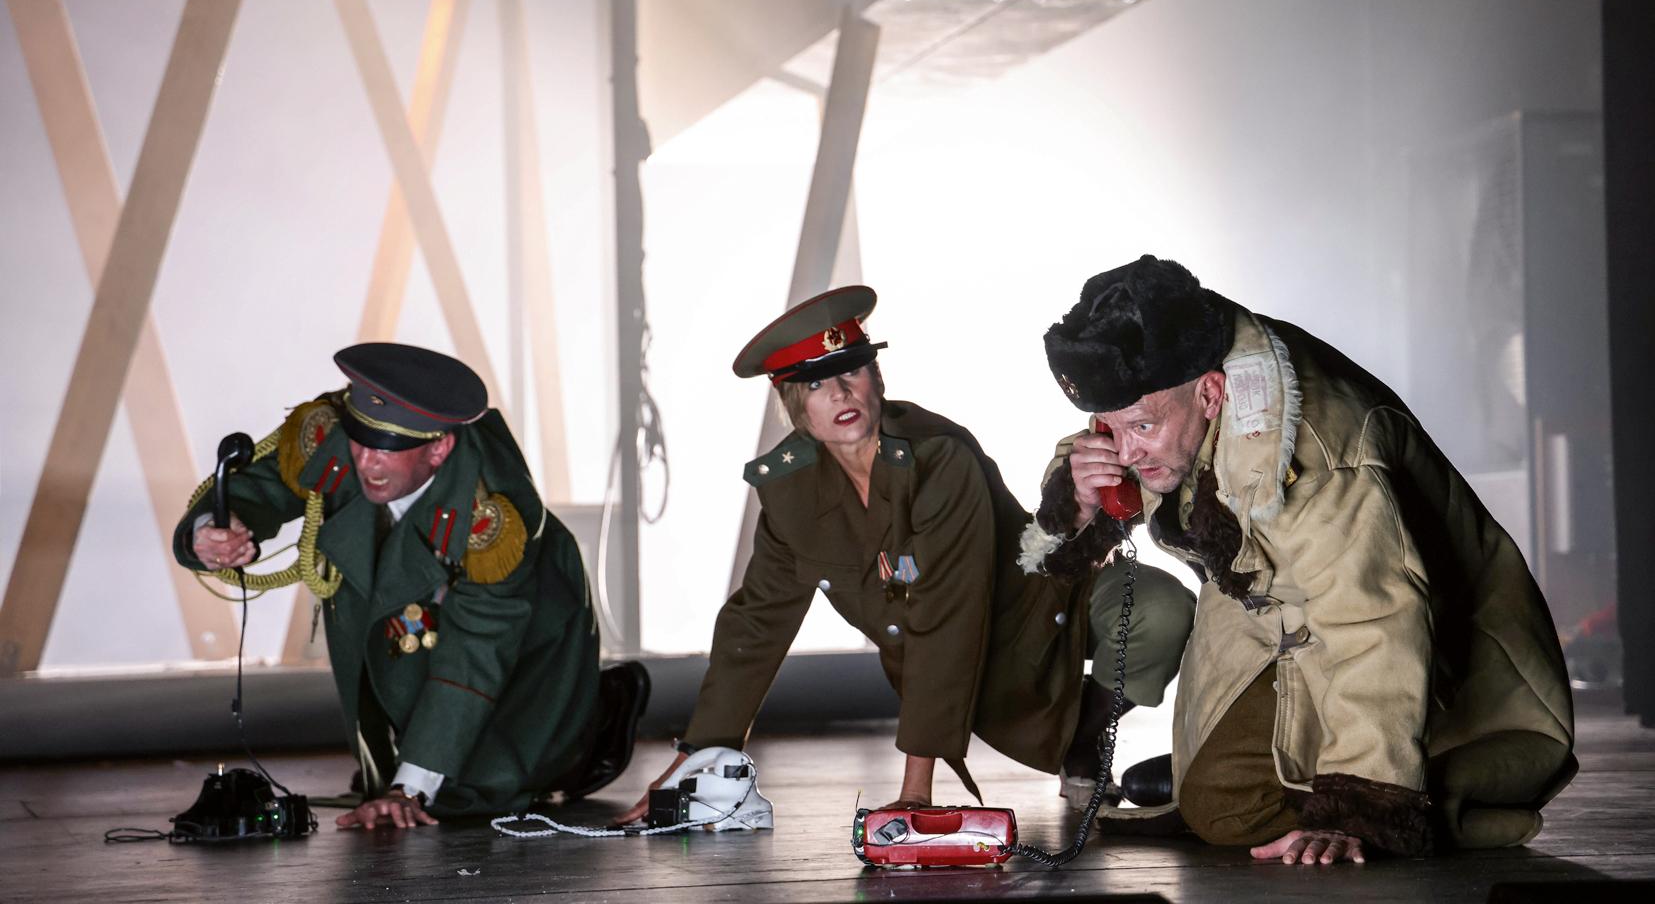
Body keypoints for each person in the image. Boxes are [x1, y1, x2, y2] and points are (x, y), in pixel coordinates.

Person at [1025, 256, 1576, 864]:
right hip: (1268, 600)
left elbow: (1373, 624)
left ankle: (1411, 794)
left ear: (1212, 393)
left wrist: (1356, 810)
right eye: (1111, 426)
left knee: (1260, 810)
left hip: (1423, 625)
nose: (1124, 451)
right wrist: (1075, 500)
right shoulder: (1167, 387)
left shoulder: (1323, 461)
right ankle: (1271, 768)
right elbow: (1115, 439)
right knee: (1214, 799)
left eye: (1143, 428)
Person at [619, 286, 1193, 823]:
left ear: (876, 376)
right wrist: (695, 757)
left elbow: (947, 608)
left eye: (851, 372)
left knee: (1161, 609)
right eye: (817, 384)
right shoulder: (791, 490)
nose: (841, 394)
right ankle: (1070, 738)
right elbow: (758, 621)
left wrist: (915, 792)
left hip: (1032, 605)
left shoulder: (939, 457)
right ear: (793, 402)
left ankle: (1083, 739)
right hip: (951, 668)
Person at [174, 342, 646, 828]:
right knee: (398, 737)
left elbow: (473, 657)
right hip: (423, 636)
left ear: (439, 447)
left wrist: (409, 790)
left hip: (532, 635)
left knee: (487, 787)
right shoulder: (345, 437)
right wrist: (213, 529)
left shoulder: (491, 522)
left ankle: (592, 725)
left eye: (386, 451)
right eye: (359, 442)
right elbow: (264, 485)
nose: (366, 463)